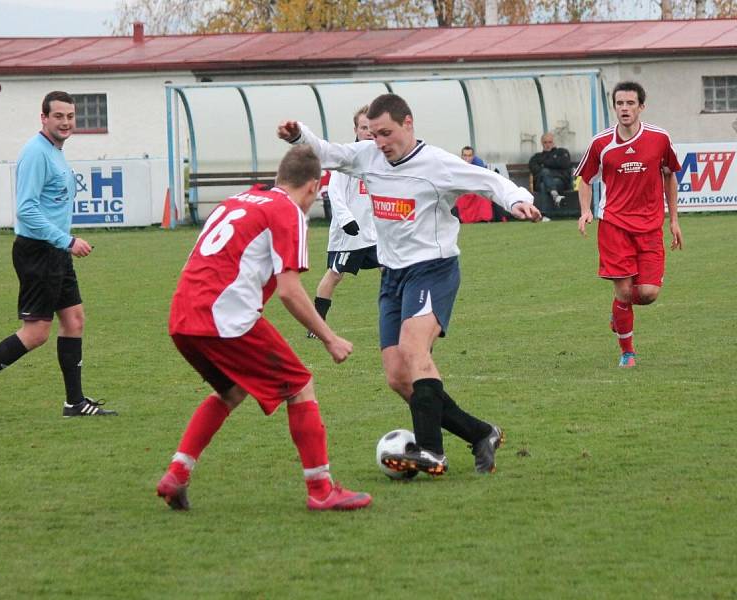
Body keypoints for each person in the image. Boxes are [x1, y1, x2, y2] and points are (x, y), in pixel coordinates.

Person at [277, 94, 542, 477]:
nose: (379, 141)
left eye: (386, 133)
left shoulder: (436, 164)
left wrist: (518, 200)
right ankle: (481, 432)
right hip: (393, 276)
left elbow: (488, 182)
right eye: (373, 133)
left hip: (433, 269)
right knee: (399, 377)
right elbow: (327, 153)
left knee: (414, 349)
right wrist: (298, 133)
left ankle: (432, 452)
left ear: (408, 124)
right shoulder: (368, 156)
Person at [156, 145, 372, 512]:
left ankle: (176, 473)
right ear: (313, 187)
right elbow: (289, 290)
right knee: (301, 385)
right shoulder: (287, 211)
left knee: (233, 390)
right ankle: (321, 489)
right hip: (224, 316)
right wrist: (330, 338)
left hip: (183, 315)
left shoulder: (236, 201)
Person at [0, 91, 116, 421]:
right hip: (39, 252)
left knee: (74, 319)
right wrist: (66, 240)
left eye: (70, 116)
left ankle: (75, 403)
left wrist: (63, 244)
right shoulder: (36, 153)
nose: (66, 122)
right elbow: (26, 209)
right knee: (36, 332)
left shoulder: (54, 151)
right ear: (44, 118)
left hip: (54, 252)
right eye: (58, 116)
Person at [576, 81, 683, 368]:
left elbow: (670, 175)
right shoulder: (601, 143)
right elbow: (585, 179)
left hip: (649, 226)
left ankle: (618, 312)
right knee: (624, 291)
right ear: (614, 107)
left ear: (641, 107)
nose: (624, 108)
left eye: (630, 103)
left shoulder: (659, 138)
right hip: (614, 225)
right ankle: (628, 352)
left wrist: (673, 219)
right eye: (620, 104)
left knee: (647, 294)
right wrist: (585, 210)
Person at [307, 105, 380, 338]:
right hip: (349, 234)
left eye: (372, 127)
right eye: (363, 127)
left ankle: (399, 316)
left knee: (391, 268)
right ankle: (315, 326)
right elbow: (336, 193)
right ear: (356, 129)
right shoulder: (347, 158)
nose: (368, 132)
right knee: (335, 274)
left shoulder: (381, 156)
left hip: (374, 231)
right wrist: (347, 220)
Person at [528, 133, 572, 221]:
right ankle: (555, 195)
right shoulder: (536, 157)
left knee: (544, 181)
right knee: (544, 179)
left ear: (554, 142)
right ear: (541, 143)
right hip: (543, 182)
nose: (548, 144)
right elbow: (534, 168)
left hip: (560, 181)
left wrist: (544, 164)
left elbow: (564, 164)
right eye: (545, 142)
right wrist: (553, 164)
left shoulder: (562, 152)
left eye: (550, 142)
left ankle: (545, 215)